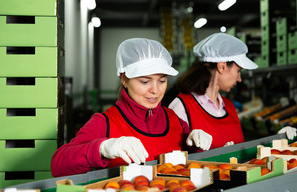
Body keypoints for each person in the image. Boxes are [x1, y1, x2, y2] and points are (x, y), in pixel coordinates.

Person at [51, 38, 212, 177]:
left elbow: (189, 169)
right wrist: (102, 148)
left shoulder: (173, 119)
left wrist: (196, 145)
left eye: (162, 81)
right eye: (145, 81)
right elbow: (58, 165)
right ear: (124, 79)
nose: (155, 90)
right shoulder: (105, 122)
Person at [169, 33, 296, 149]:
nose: (240, 79)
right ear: (222, 66)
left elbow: (243, 154)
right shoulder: (182, 106)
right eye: (238, 71)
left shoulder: (229, 107)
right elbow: (171, 164)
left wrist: (277, 141)